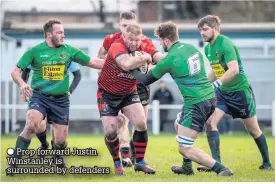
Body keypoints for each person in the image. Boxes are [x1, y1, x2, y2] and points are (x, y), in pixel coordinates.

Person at [131, 21, 233, 176]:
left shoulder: (169, 59)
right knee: (178, 124)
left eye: (160, 41)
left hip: (196, 102)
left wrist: (129, 67)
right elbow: (175, 63)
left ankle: (221, 169)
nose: (160, 44)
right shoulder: (191, 48)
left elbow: (145, 80)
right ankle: (186, 168)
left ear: (165, 40)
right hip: (209, 97)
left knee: (184, 147)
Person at [8, 19, 104, 173]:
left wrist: (118, 64)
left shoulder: (69, 51)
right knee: (31, 125)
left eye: (63, 32)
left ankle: (57, 156)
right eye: (59, 32)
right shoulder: (34, 51)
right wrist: (23, 84)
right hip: (39, 96)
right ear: (48, 35)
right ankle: (13, 163)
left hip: (61, 100)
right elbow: (15, 71)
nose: (63, 35)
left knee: (60, 142)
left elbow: (92, 62)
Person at [196, 15, 273, 172]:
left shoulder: (226, 44)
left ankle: (267, 164)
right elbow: (216, 71)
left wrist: (216, 83)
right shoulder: (208, 48)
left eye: (205, 29)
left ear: (215, 28)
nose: (202, 33)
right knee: (210, 122)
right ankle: (216, 164)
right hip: (223, 93)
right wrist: (203, 84)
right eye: (200, 30)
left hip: (240, 93)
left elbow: (234, 70)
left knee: (253, 130)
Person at [97, 11, 164, 167]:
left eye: (130, 25)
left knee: (140, 123)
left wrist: (165, 63)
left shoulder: (144, 41)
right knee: (120, 122)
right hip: (114, 86)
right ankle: (125, 156)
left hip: (139, 84)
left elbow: (157, 58)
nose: (126, 29)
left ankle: (137, 159)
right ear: (120, 25)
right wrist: (111, 71)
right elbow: (100, 57)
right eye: (124, 26)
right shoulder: (112, 40)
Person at [21, 62, 82, 152]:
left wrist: (70, 91)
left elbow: (78, 75)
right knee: (37, 125)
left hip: (59, 99)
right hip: (39, 96)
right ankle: (44, 144)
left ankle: (56, 152)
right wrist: (24, 86)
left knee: (60, 137)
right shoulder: (38, 52)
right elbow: (26, 69)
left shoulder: (68, 54)